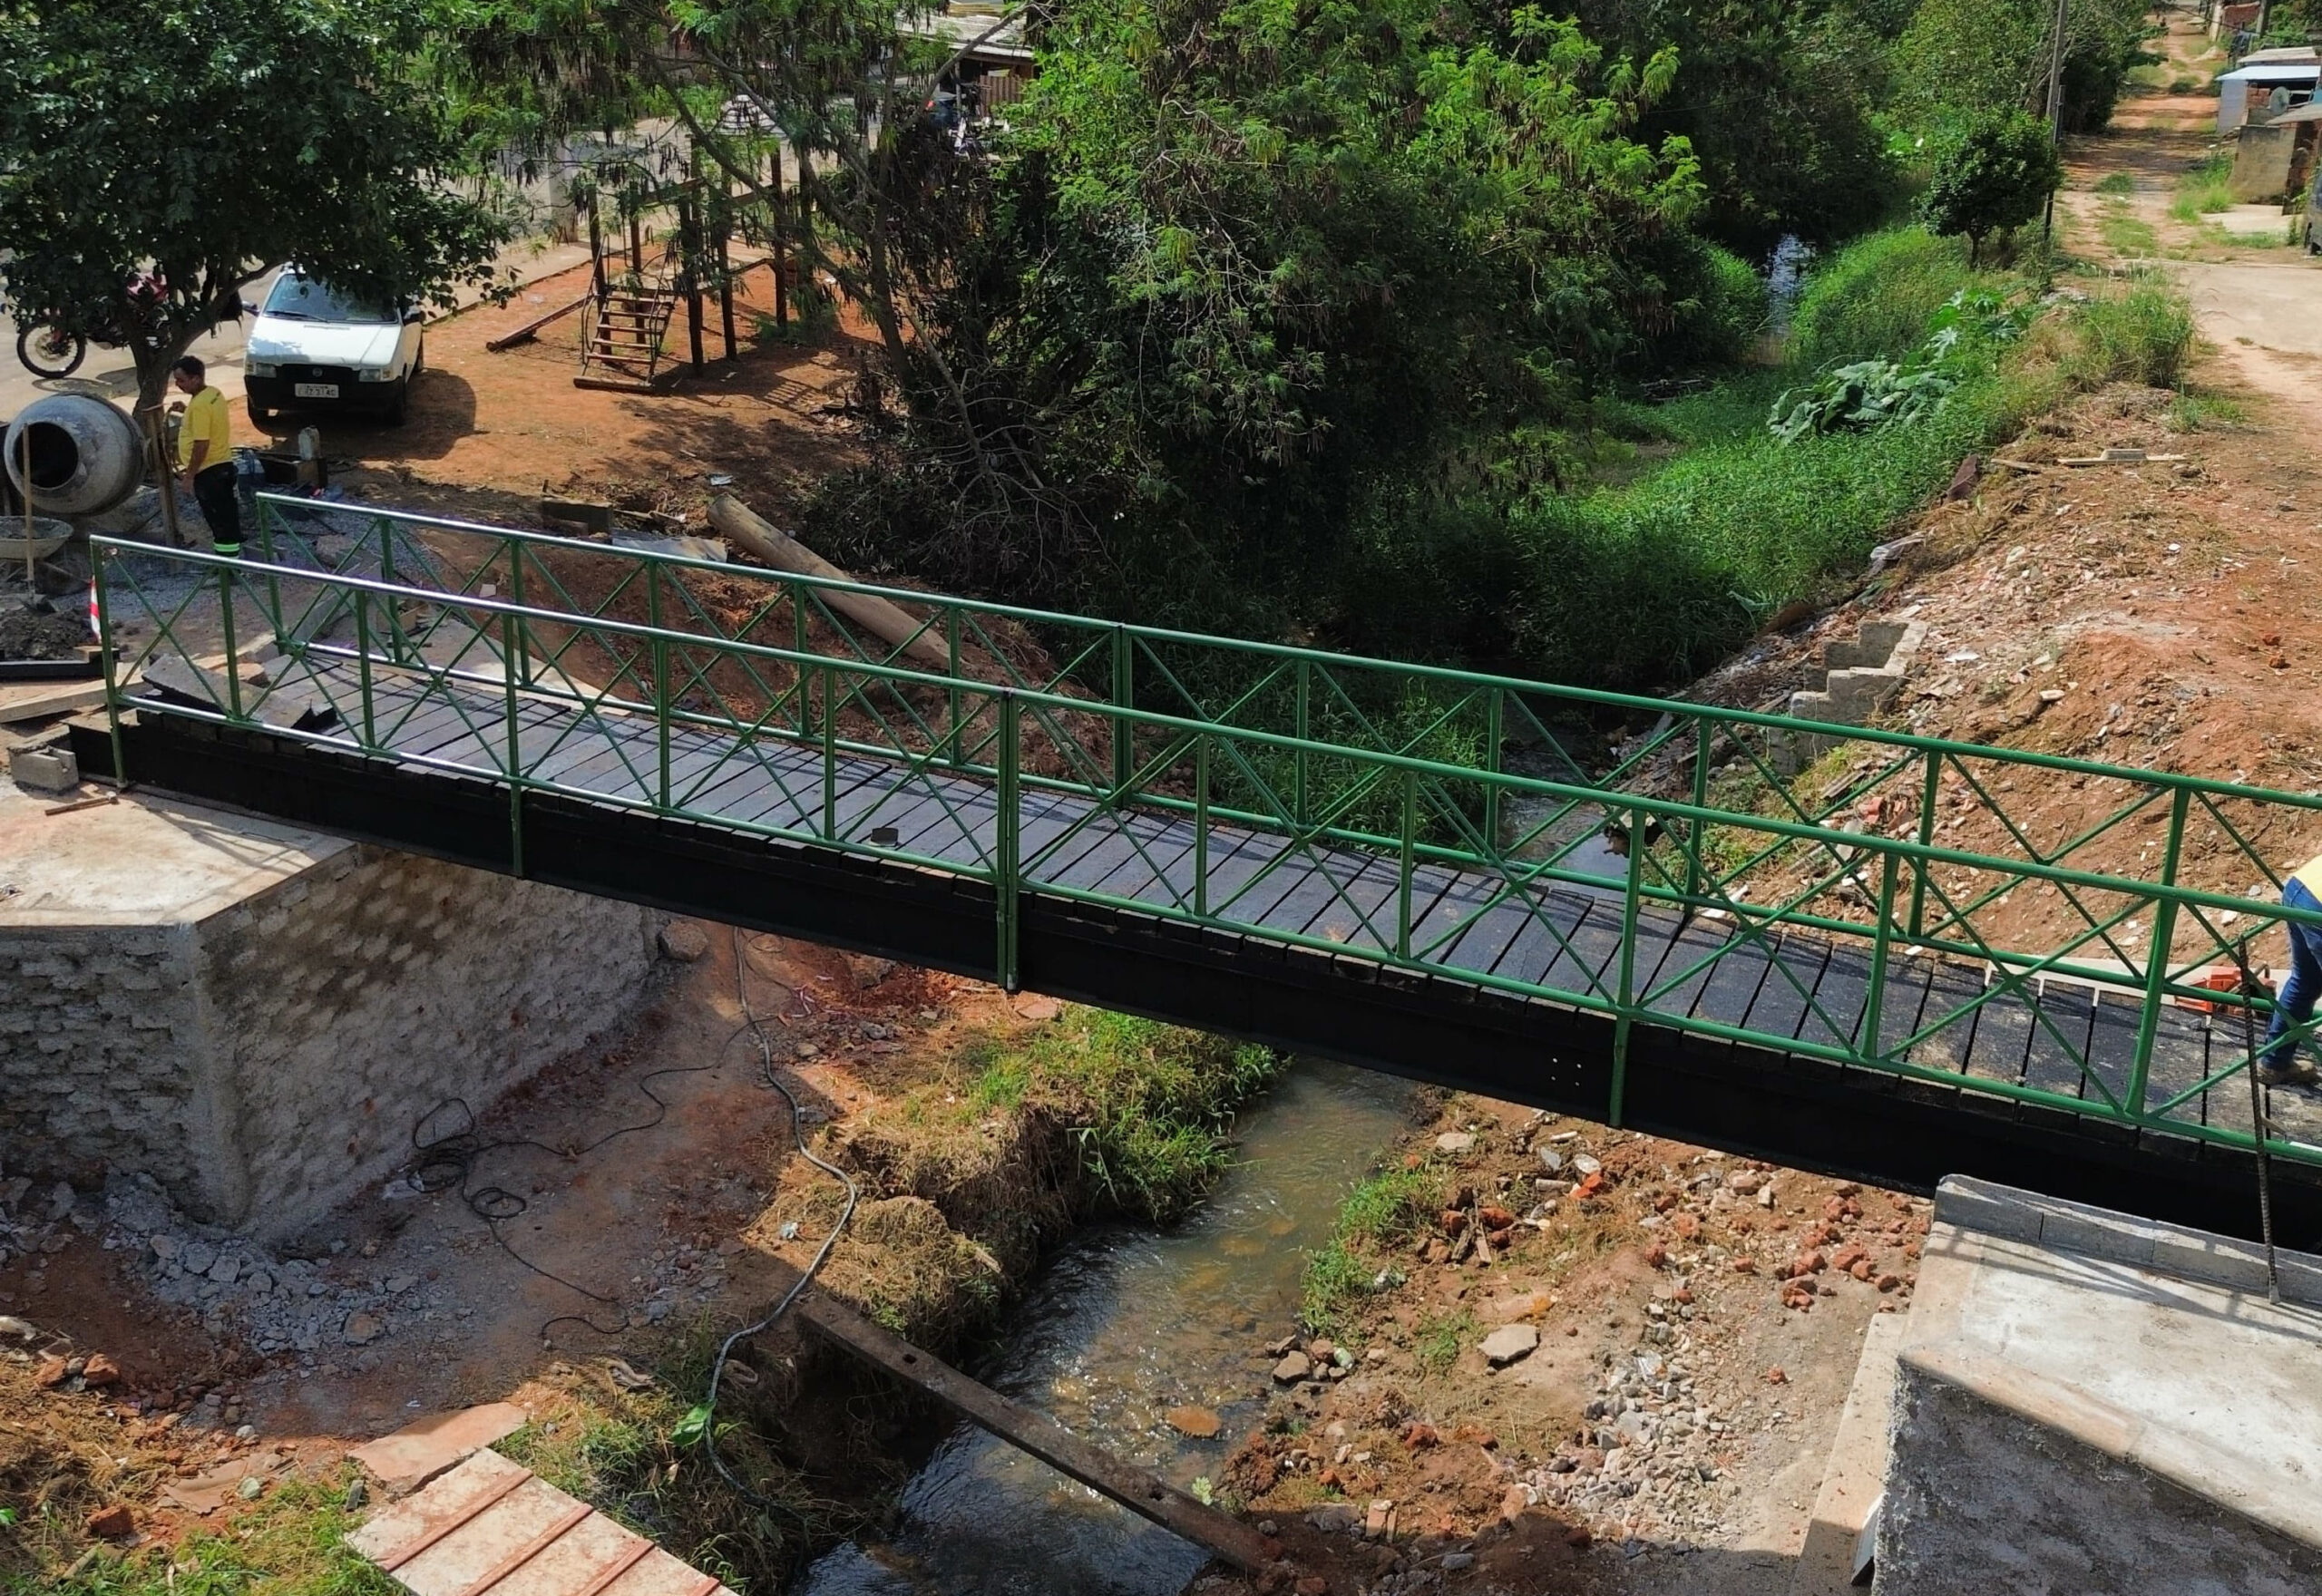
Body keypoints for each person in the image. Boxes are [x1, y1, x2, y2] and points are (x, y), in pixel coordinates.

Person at [2259, 857, 2322, 1086]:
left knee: (2306, 981)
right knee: (2305, 981)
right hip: (2319, 907)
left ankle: (2274, 1065)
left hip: (2301, 885)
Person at [170, 355, 239, 556]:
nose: (178, 385)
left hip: (209, 473)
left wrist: (189, 476)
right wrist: (187, 410)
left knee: (219, 523)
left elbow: (201, 444)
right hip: (223, 465)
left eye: (182, 380)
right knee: (227, 518)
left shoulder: (199, 405)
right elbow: (207, 418)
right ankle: (231, 562)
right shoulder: (213, 395)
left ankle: (228, 568)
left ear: (196, 379)